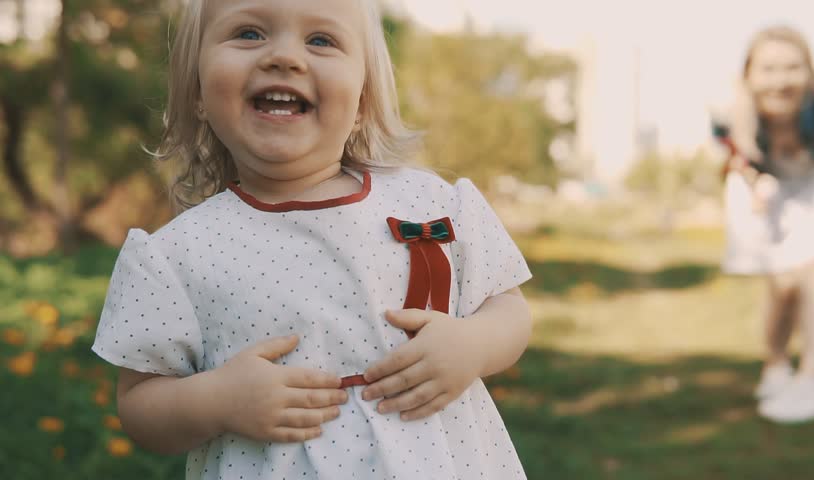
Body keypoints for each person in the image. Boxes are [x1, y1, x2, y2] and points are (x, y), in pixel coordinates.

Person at [91, 0, 533, 478]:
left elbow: (507, 306)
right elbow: (139, 402)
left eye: (320, 40)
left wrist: (473, 344)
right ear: (198, 90)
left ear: (362, 102)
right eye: (249, 33)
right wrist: (216, 401)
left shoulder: (429, 201)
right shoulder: (177, 254)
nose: (284, 57)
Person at [719, 25, 814, 423]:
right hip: (767, 178)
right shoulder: (730, 108)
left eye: (793, 68)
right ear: (748, 74)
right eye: (770, 68)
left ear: (811, 72)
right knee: (782, 282)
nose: (781, 80)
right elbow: (734, 151)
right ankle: (776, 367)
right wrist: (756, 183)